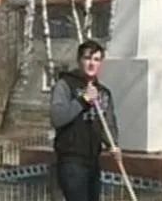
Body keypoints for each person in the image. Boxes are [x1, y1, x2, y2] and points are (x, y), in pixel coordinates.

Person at [50, 40, 120, 201]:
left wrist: (113, 144)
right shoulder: (65, 85)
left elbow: (108, 123)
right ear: (79, 60)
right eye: (87, 58)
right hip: (71, 159)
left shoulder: (103, 92)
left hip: (93, 159)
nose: (92, 63)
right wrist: (83, 100)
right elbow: (57, 117)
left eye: (96, 59)